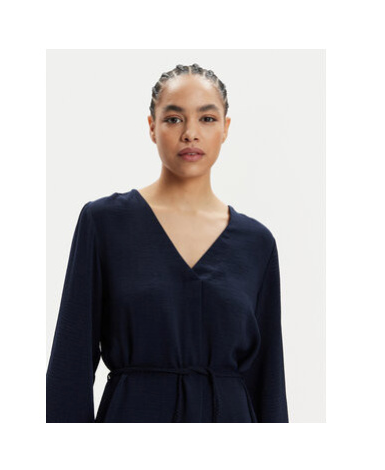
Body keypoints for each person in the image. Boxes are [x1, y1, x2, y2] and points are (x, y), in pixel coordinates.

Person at [46, 63, 289, 423]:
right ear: (152, 127)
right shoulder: (105, 223)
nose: (190, 133)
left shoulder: (256, 244)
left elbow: (268, 381)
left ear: (225, 128)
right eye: (174, 119)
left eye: (207, 119)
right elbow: (70, 366)